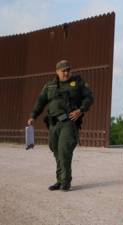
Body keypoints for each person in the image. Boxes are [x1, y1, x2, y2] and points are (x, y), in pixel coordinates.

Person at [27, 60, 94, 191]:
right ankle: (59, 180)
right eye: (63, 70)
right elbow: (41, 101)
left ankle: (65, 181)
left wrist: (81, 110)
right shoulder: (50, 85)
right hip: (53, 124)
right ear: (57, 71)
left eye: (68, 70)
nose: (66, 72)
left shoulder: (78, 83)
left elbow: (89, 98)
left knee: (64, 151)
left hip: (69, 122)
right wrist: (33, 115)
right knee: (55, 150)